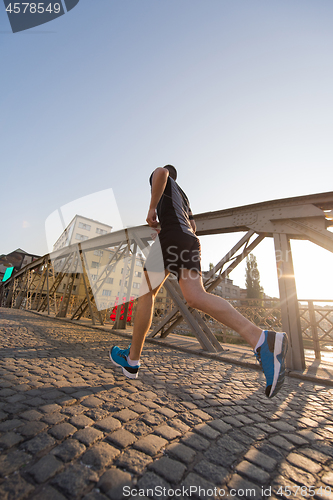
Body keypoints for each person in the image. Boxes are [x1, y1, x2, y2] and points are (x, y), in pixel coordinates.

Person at [110, 165, 288, 398]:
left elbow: (160, 172)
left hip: (171, 236)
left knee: (146, 293)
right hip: (190, 240)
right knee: (195, 296)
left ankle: (132, 359)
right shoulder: (184, 198)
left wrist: (152, 208)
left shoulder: (162, 177)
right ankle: (261, 338)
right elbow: (193, 226)